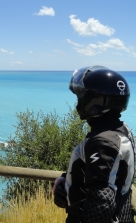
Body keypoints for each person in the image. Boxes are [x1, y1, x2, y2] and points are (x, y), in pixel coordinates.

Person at [52, 66, 135, 223]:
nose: (79, 103)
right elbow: (111, 173)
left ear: (95, 101)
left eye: (82, 98)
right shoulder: (119, 130)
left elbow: (102, 202)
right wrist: (68, 182)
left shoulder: (103, 142)